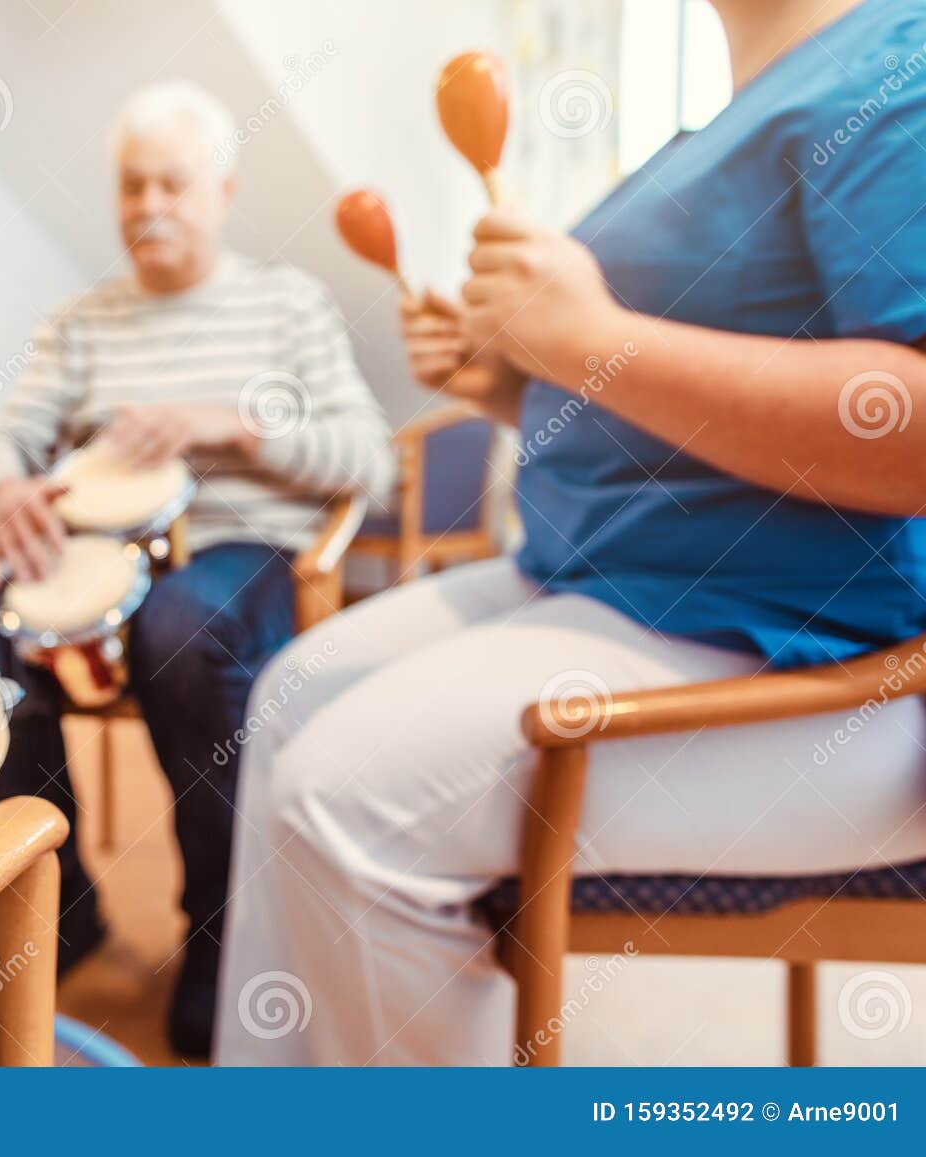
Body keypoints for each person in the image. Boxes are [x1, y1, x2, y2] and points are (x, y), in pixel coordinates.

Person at [215, 0, 926, 1065]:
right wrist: (515, 379)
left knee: (342, 801)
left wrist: (592, 334)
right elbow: (656, 412)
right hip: (605, 583)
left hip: (801, 642)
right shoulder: (714, 123)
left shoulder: (895, 64)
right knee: (288, 697)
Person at [0, 80, 393, 1056]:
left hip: (241, 554)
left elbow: (368, 459)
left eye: (170, 183)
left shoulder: (288, 305)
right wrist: (4, 493)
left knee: (181, 632)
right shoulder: (82, 322)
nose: (147, 205)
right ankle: (61, 917)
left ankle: (217, 936)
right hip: (90, 561)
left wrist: (227, 421)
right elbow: (3, 441)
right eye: (130, 185)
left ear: (223, 190)